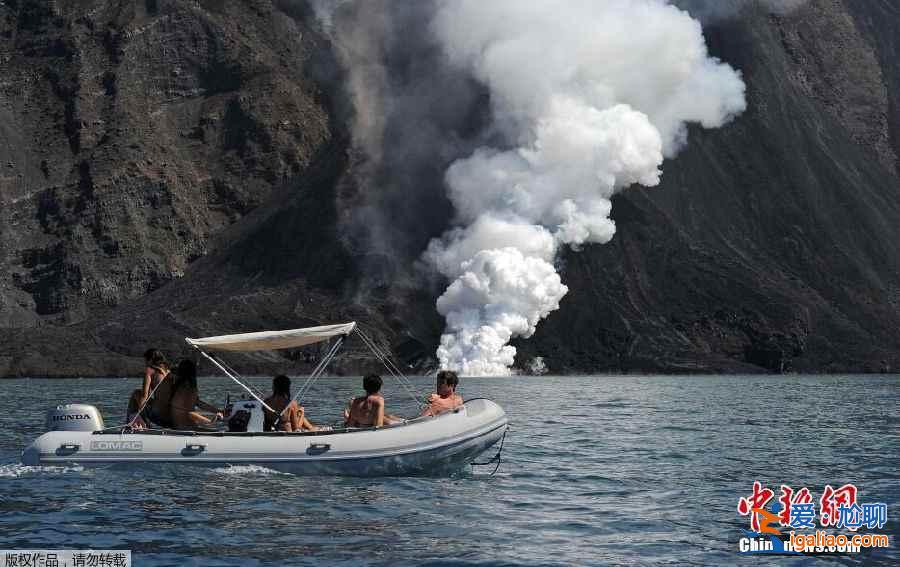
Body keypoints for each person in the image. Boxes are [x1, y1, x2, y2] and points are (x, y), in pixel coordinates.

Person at [169, 360, 223, 430]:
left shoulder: (179, 386)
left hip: (179, 425)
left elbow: (198, 403)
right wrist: (211, 421)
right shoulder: (187, 387)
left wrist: (218, 411)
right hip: (185, 427)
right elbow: (188, 413)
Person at [126, 360, 171, 427]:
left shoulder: (150, 372)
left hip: (162, 416)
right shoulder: (171, 375)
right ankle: (140, 422)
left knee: (136, 393)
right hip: (172, 416)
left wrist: (140, 413)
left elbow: (144, 396)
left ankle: (139, 424)